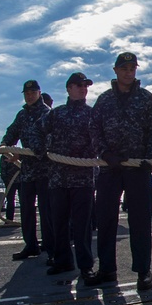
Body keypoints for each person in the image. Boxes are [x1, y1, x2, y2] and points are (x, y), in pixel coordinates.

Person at [90, 52, 152, 290]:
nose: (128, 71)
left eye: (132, 68)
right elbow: (94, 130)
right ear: (115, 70)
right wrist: (104, 153)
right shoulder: (103, 101)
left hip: (137, 169)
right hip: (110, 170)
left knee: (140, 221)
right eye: (124, 68)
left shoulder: (146, 99)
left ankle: (143, 271)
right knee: (106, 220)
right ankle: (107, 269)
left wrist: (148, 159)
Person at [40, 72, 101, 279]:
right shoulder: (55, 114)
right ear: (69, 88)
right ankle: (63, 261)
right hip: (58, 178)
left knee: (82, 225)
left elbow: (97, 142)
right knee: (59, 223)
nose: (83, 88)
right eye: (79, 85)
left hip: (82, 178)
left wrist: (83, 156)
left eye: (85, 85)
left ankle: (86, 266)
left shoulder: (92, 114)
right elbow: (40, 135)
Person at [0, 79, 53, 261]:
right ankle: (30, 245)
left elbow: (48, 143)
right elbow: (12, 132)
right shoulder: (22, 115)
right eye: (27, 93)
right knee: (27, 211)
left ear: (39, 93)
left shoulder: (47, 113)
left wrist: (21, 155)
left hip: (45, 171)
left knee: (47, 211)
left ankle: (49, 246)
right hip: (28, 173)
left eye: (32, 93)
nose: (29, 96)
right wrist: (5, 145)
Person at [0, 154, 18, 221]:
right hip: (10, 181)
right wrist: (6, 181)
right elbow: (2, 170)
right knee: (10, 201)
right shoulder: (5, 156)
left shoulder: (18, 154)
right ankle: (9, 219)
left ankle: (26, 220)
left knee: (24, 200)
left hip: (20, 180)